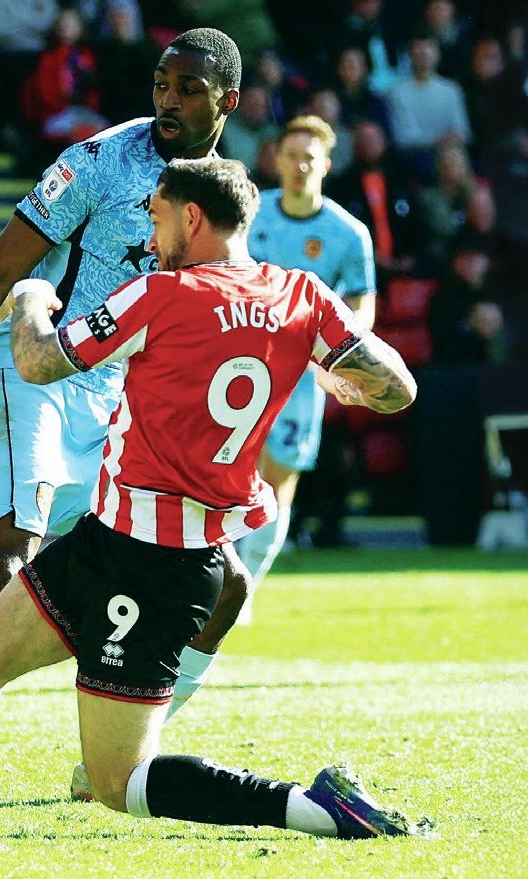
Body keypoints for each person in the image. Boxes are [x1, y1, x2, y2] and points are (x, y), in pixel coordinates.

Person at [0, 157, 421, 839]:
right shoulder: (300, 295)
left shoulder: (161, 294)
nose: (150, 238)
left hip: (156, 566)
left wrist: (31, 301)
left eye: (157, 219)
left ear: (191, 218)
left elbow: (37, 362)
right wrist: (341, 377)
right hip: (112, 539)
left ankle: (316, 808)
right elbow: (396, 388)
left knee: (116, 782)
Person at [0, 27, 241, 816]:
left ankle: (119, 759)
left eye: (188, 89)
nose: (167, 100)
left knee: (224, 584)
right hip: (35, 376)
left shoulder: (226, 194)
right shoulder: (99, 161)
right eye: (161, 83)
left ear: (227, 102)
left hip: (123, 409)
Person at [230, 115, 375, 620]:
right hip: (238, 367)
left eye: (309, 158)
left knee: (277, 485)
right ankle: (219, 582)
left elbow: (362, 307)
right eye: (291, 156)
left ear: (326, 165)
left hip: (302, 378)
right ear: (277, 159)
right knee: (226, 479)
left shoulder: (348, 233)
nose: (299, 166)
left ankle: (244, 588)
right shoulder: (249, 215)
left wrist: (338, 359)